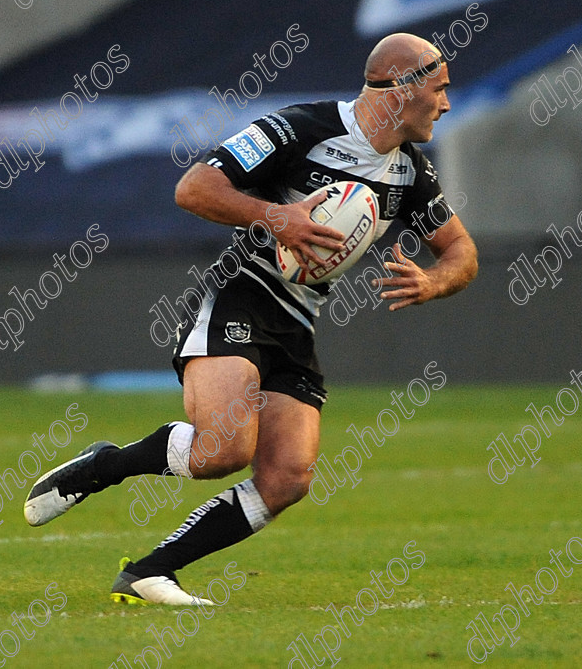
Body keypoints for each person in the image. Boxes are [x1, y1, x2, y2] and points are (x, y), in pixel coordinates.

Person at [23, 32, 478, 605]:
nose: (446, 103)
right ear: (400, 89)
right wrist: (275, 218)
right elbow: (193, 188)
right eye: (439, 89)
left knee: (288, 478)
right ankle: (108, 465)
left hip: (298, 323)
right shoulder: (297, 128)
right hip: (239, 296)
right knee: (224, 450)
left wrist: (434, 280)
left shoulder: (412, 174)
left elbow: (462, 252)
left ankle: (147, 573)